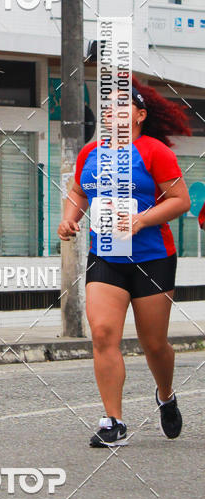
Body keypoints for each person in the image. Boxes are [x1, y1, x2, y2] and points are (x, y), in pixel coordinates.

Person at [58, 79, 191, 447]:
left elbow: (180, 200)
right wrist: (71, 217)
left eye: (122, 105)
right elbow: (78, 192)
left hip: (152, 258)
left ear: (139, 115)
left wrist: (143, 219)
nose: (112, 112)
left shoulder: (153, 151)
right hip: (106, 258)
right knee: (102, 334)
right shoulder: (90, 153)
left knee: (154, 344)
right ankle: (112, 421)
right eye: (107, 107)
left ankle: (165, 394)